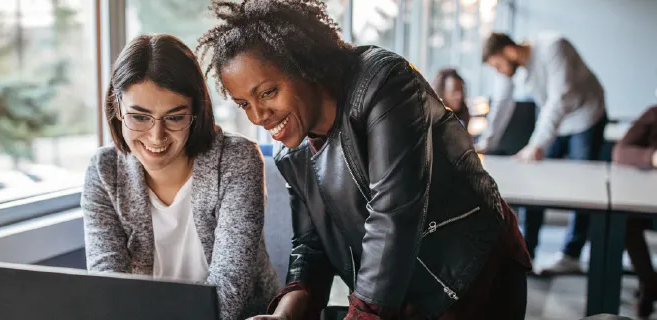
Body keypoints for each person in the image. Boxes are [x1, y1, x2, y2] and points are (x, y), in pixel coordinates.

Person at [197, 1, 532, 319]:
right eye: (244, 104)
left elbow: (394, 216)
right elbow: (311, 247)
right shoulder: (291, 150)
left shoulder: (382, 83)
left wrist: (364, 314)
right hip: (398, 297)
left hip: (471, 277)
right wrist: (285, 313)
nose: (259, 116)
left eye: (268, 93)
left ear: (303, 64)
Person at [81, 34, 278, 320]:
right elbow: (109, 288)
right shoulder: (104, 172)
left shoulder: (237, 159)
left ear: (196, 112)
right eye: (139, 117)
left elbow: (227, 293)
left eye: (174, 117)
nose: (156, 136)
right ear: (118, 107)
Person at [480, 32, 608, 275]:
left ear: (509, 51)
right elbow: (502, 102)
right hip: (555, 121)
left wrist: (536, 145)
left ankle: (571, 254)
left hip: (585, 116)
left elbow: (559, 99)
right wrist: (488, 141)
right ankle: (527, 251)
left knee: (584, 187)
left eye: (497, 65)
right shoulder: (515, 68)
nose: (498, 71)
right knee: (534, 181)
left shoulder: (553, 47)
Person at [613, 105, 657, 318]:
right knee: (625, 221)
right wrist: (653, 157)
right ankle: (649, 282)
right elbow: (621, 151)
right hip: (648, 201)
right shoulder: (653, 115)